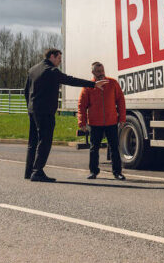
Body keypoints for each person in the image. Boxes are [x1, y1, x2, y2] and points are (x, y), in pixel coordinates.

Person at [24, 48, 108, 183]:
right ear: (52, 56)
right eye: (59, 58)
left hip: (33, 111)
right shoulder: (51, 71)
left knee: (33, 142)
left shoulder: (33, 69)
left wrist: (30, 108)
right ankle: (38, 171)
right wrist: (93, 84)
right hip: (46, 112)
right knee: (45, 141)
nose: (60, 61)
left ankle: (29, 171)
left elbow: (26, 91)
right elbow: (70, 80)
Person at [77, 61, 126, 181]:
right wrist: (82, 122)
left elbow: (120, 101)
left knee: (114, 147)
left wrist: (122, 118)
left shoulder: (113, 83)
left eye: (102, 70)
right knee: (94, 148)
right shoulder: (88, 86)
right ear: (93, 72)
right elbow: (81, 105)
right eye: (98, 71)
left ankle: (117, 172)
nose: (101, 73)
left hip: (111, 122)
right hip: (95, 123)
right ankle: (93, 171)